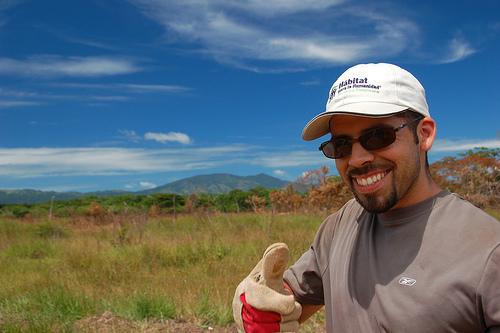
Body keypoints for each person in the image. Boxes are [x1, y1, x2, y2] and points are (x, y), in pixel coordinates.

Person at [233, 63, 500, 332]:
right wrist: (259, 303)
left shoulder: (487, 252)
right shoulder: (341, 226)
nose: (358, 158)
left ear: (424, 134)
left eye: (378, 136)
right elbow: (293, 299)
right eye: (342, 145)